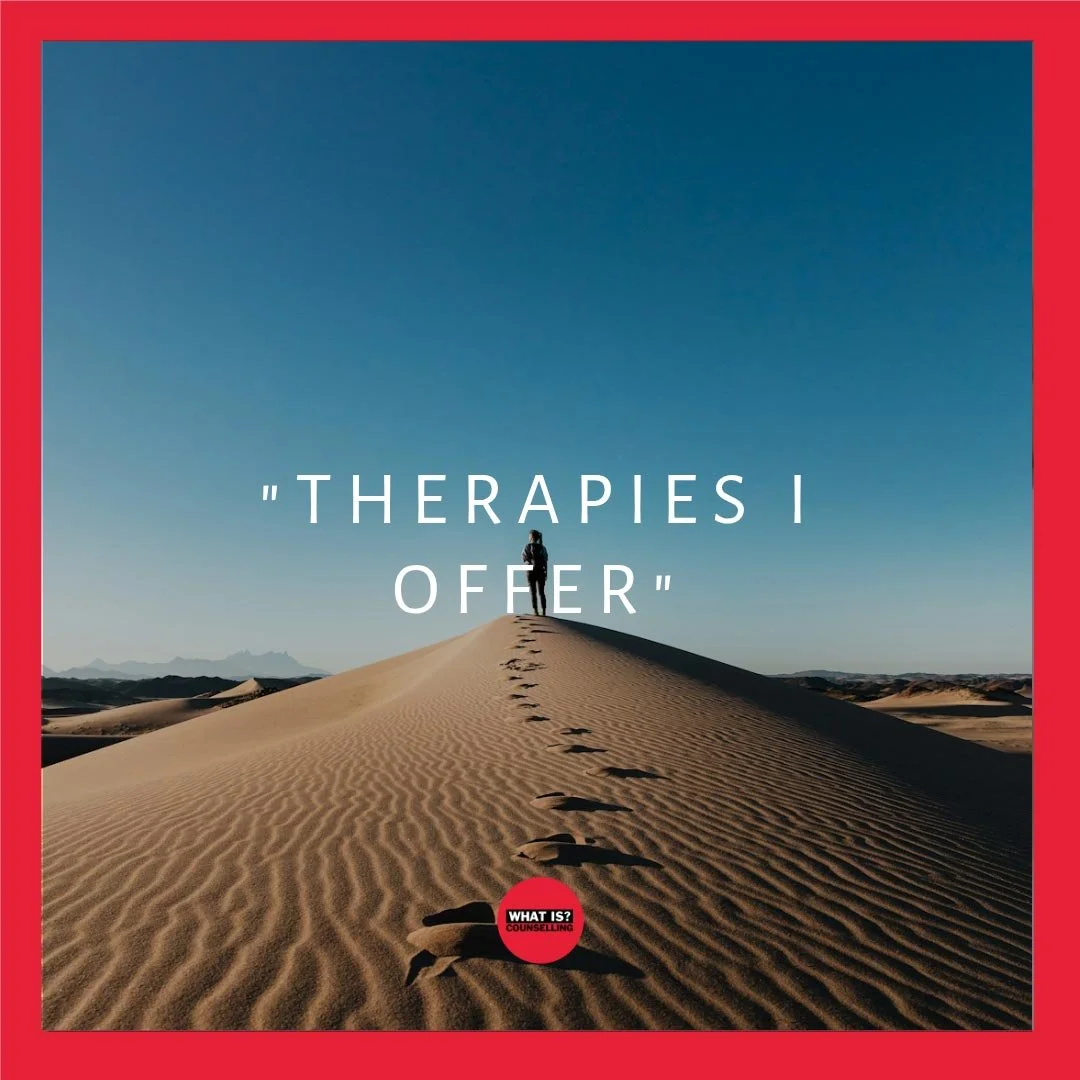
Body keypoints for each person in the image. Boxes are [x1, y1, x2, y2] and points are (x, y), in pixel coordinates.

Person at [521, 529, 549, 616]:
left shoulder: (527, 547)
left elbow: (524, 558)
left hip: (530, 571)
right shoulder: (543, 548)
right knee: (542, 592)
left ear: (531, 537)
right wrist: (546, 572)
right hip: (541, 571)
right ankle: (543, 611)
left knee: (533, 592)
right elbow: (545, 561)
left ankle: (535, 611)